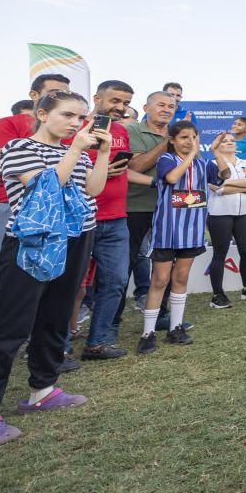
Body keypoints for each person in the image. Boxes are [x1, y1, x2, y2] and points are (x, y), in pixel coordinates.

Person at [0, 91, 110, 449]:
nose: (75, 124)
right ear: (42, 113)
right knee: (10, 325)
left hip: (76, 236)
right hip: (33, 241)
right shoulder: (19, 148)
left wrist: (103, 153)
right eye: (67, 115)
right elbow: (48, 188)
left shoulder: (74, 151)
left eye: (81, 117)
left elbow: (92, 190)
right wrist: (76, 150)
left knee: (55, 316)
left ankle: (42, 390)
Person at [0, 73, 73, 344]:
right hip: (13, 206)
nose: (60, 98)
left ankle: (35, 341)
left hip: (57, 214)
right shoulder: (10, 124)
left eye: (65, 92)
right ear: (34, 96)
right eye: (53, 92)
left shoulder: (70, 130)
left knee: (49, 281)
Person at [69, 80, 151, 362]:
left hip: (116, 219)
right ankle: (59, 345)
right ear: (97, 98)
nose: (120, 107)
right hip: (79, 217)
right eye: (115, 100)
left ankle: (97, 342)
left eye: (125, 102)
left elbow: (123, 171)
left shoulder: (120, 131)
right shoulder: (73, 128)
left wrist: (156, 182)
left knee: (115, 282)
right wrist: (97, 164)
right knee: (71, 285)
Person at [137, 121, 228, 353]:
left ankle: (175, 328)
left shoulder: (203, 164)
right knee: (159, 280)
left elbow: (224, 174)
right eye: (184, 137)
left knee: (181, 278)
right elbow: (171, 178)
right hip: (168, 231)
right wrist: (190, 156)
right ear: (173, 140)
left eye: (193, 137)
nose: (189, 142)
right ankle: (147, 333)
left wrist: (216, 152)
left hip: (191, 231)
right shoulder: (167, 160)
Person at [119, 91, 177, 323]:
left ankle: (161, 314)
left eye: (171, 106)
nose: (166, 109)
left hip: (169, 208)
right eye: (161, 105)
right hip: (136, 206)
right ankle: (112, 320)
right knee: (126, 263)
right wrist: (167, 142)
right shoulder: (131, 130)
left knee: (165, 263)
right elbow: (135, 165)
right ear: (146, 107)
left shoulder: (179, 135)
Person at [206, 132, 246, 308]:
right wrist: (239, 185)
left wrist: (228, 183)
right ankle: (218, 295)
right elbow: (217, 188)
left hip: (244, 213)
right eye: (224, 141)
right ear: (217, 145)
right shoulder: (212, 164)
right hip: (219, 213)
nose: (229, 143)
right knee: (219, 254)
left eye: (232, 141)